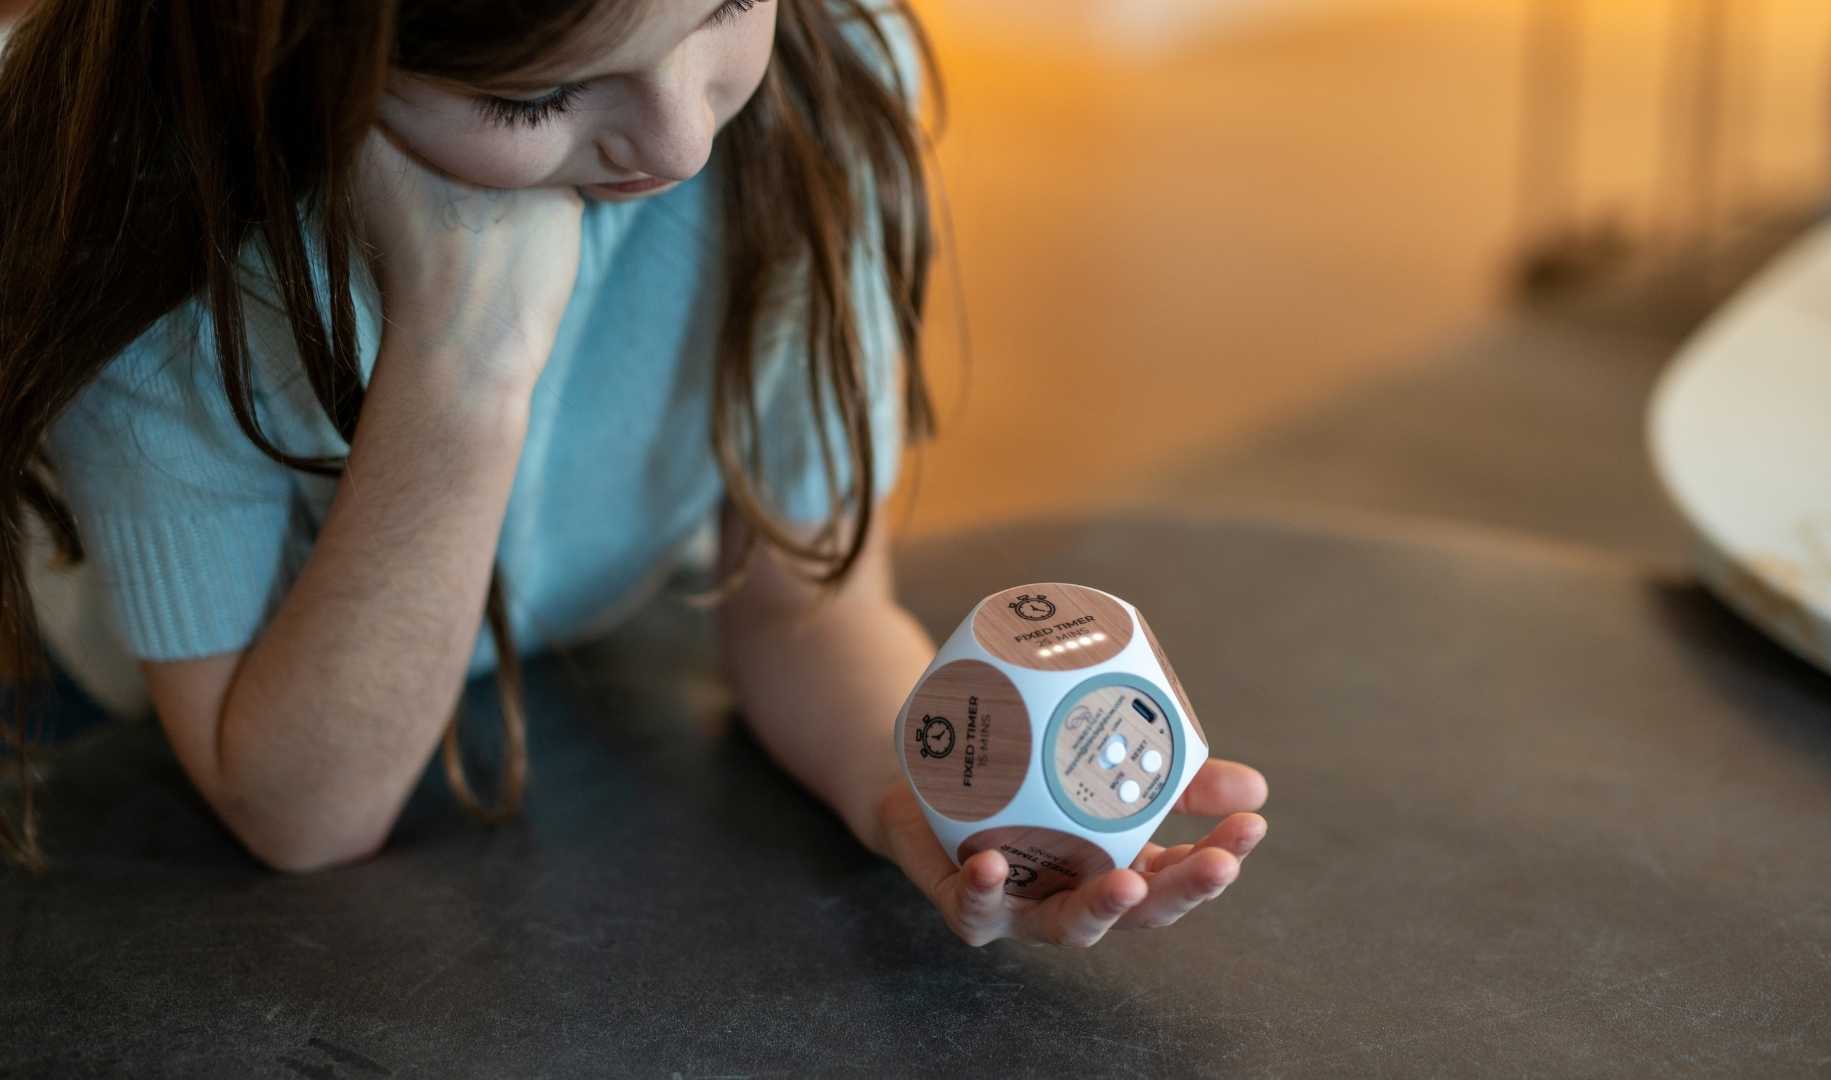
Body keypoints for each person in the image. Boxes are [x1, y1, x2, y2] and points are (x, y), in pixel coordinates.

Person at [0, 0, 1268, 948]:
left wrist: (929, 801)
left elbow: (809, 607)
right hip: (129, 717)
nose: (680, 136)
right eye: (535, 99)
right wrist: (466, 357)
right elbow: (298, 814)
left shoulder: (831, 77)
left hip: (560, 648)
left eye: (722, 7)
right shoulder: (157, 240)